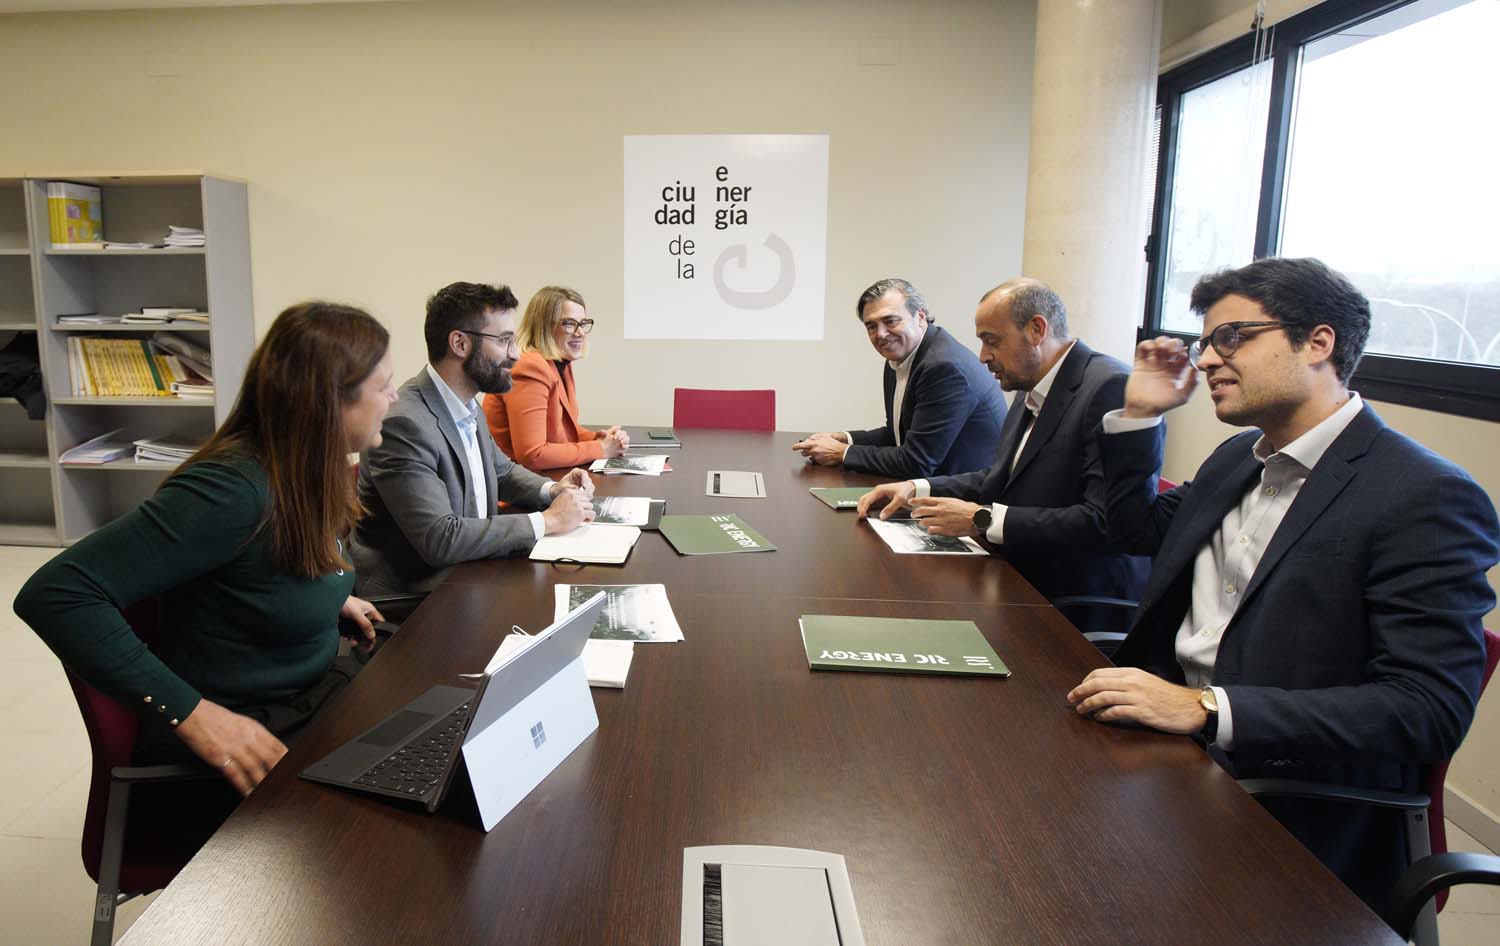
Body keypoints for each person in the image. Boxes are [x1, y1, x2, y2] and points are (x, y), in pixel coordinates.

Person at [1064, 257, 1499, 913]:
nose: (1207, 360)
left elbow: (1425, 710)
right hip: (1161, 747)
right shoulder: (1238, 458)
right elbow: (1130, 530)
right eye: (1204, 342)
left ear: (1318, 342)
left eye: (1231, 337)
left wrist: (1208, 708)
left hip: (1275, 798)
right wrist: (1138, 415)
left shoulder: (1425, 494)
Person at [15, 301, 397, 825]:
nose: (394, 397)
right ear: (330, 403)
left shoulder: (310, 468)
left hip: (309, 695)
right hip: (243, 739)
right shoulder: (232, 490)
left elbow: (263, 569)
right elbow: (56, 593)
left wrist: (329, 595)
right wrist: (194, 716)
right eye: (384, 386)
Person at [857, 278, 1148, 616]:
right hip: (1016, 570)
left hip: (1069, 596)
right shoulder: (1031, 384)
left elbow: (1103, 522)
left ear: (1036, 330)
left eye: (992, 341)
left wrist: (982, 518)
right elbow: (999, 476)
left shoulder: (1109, 387)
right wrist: (915, 487)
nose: (983, 356)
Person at [350, 281, 594, 594]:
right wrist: (548, 521)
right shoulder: (404, 425)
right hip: (418, 594)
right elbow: (440, 539)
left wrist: (553, 489)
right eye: (504, 340)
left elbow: (501, 471)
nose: (516, 354)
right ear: (460, 344)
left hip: (471, 570)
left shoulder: (466, 404)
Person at [793, 278, 1005, 479]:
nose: (881, 334)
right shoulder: (900, 357)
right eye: (871, 326)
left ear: (920, 317)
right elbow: (897, 436)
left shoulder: (944, 368)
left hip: (965, 497)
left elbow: (916, 463)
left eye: (890, 321)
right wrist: (844, 438)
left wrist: (842, 452)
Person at [484, 285, 629, 471]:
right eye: (569, 324)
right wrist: (600, 449)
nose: (580, 333)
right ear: (544, 327)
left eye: (583, 323)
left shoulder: (559, 362)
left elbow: (560, 432)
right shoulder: (529, 367)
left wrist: (601, 439)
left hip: (542, 477)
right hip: (514, 483)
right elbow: (533, 455)